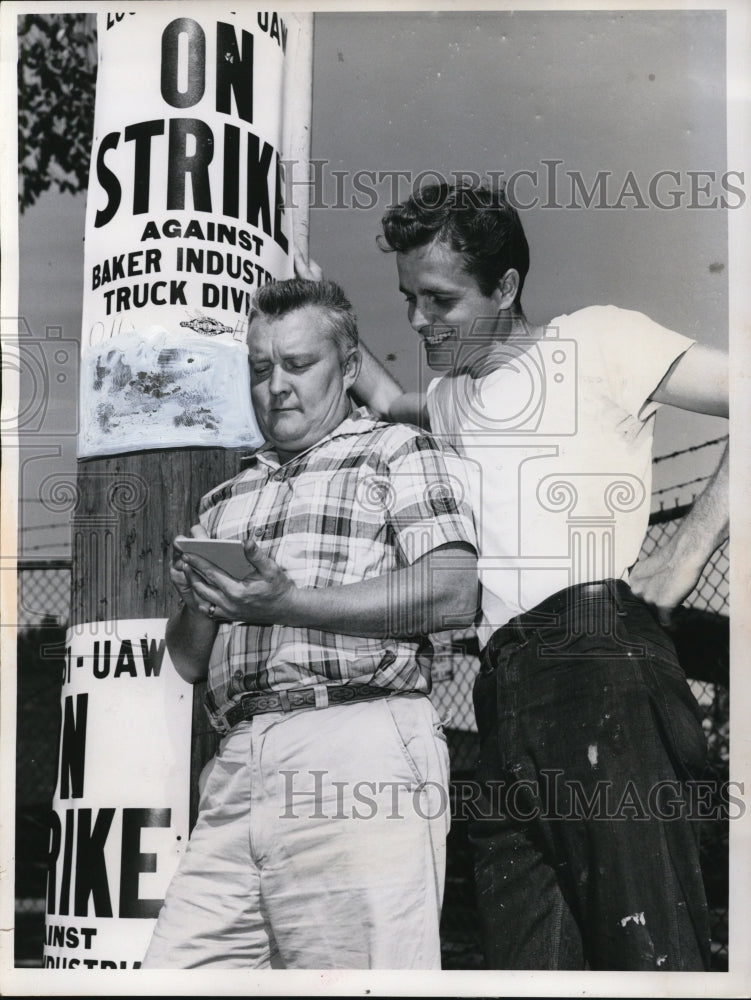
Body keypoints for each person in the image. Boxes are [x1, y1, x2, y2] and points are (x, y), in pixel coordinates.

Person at [341, 180, 729, 971]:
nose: (418, 321)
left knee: (648, 959)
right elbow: (391, 402)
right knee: (526, 971)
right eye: (408, 299)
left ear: (507, 287)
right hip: (502, 694)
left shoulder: (593, 340)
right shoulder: (453, 397)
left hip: (599, 666)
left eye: (441, 301)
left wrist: (686, 553)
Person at [141, 277, 479, 970]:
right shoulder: (226, 495)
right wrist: (204, 600)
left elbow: (452, 591)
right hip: (237, 760)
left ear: (349, 368)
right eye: (261, 369)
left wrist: (284, 602)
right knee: (175, 974)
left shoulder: (396, 453)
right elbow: (186, 661)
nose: (276, 387)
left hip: (357, 746)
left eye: (298, 365)